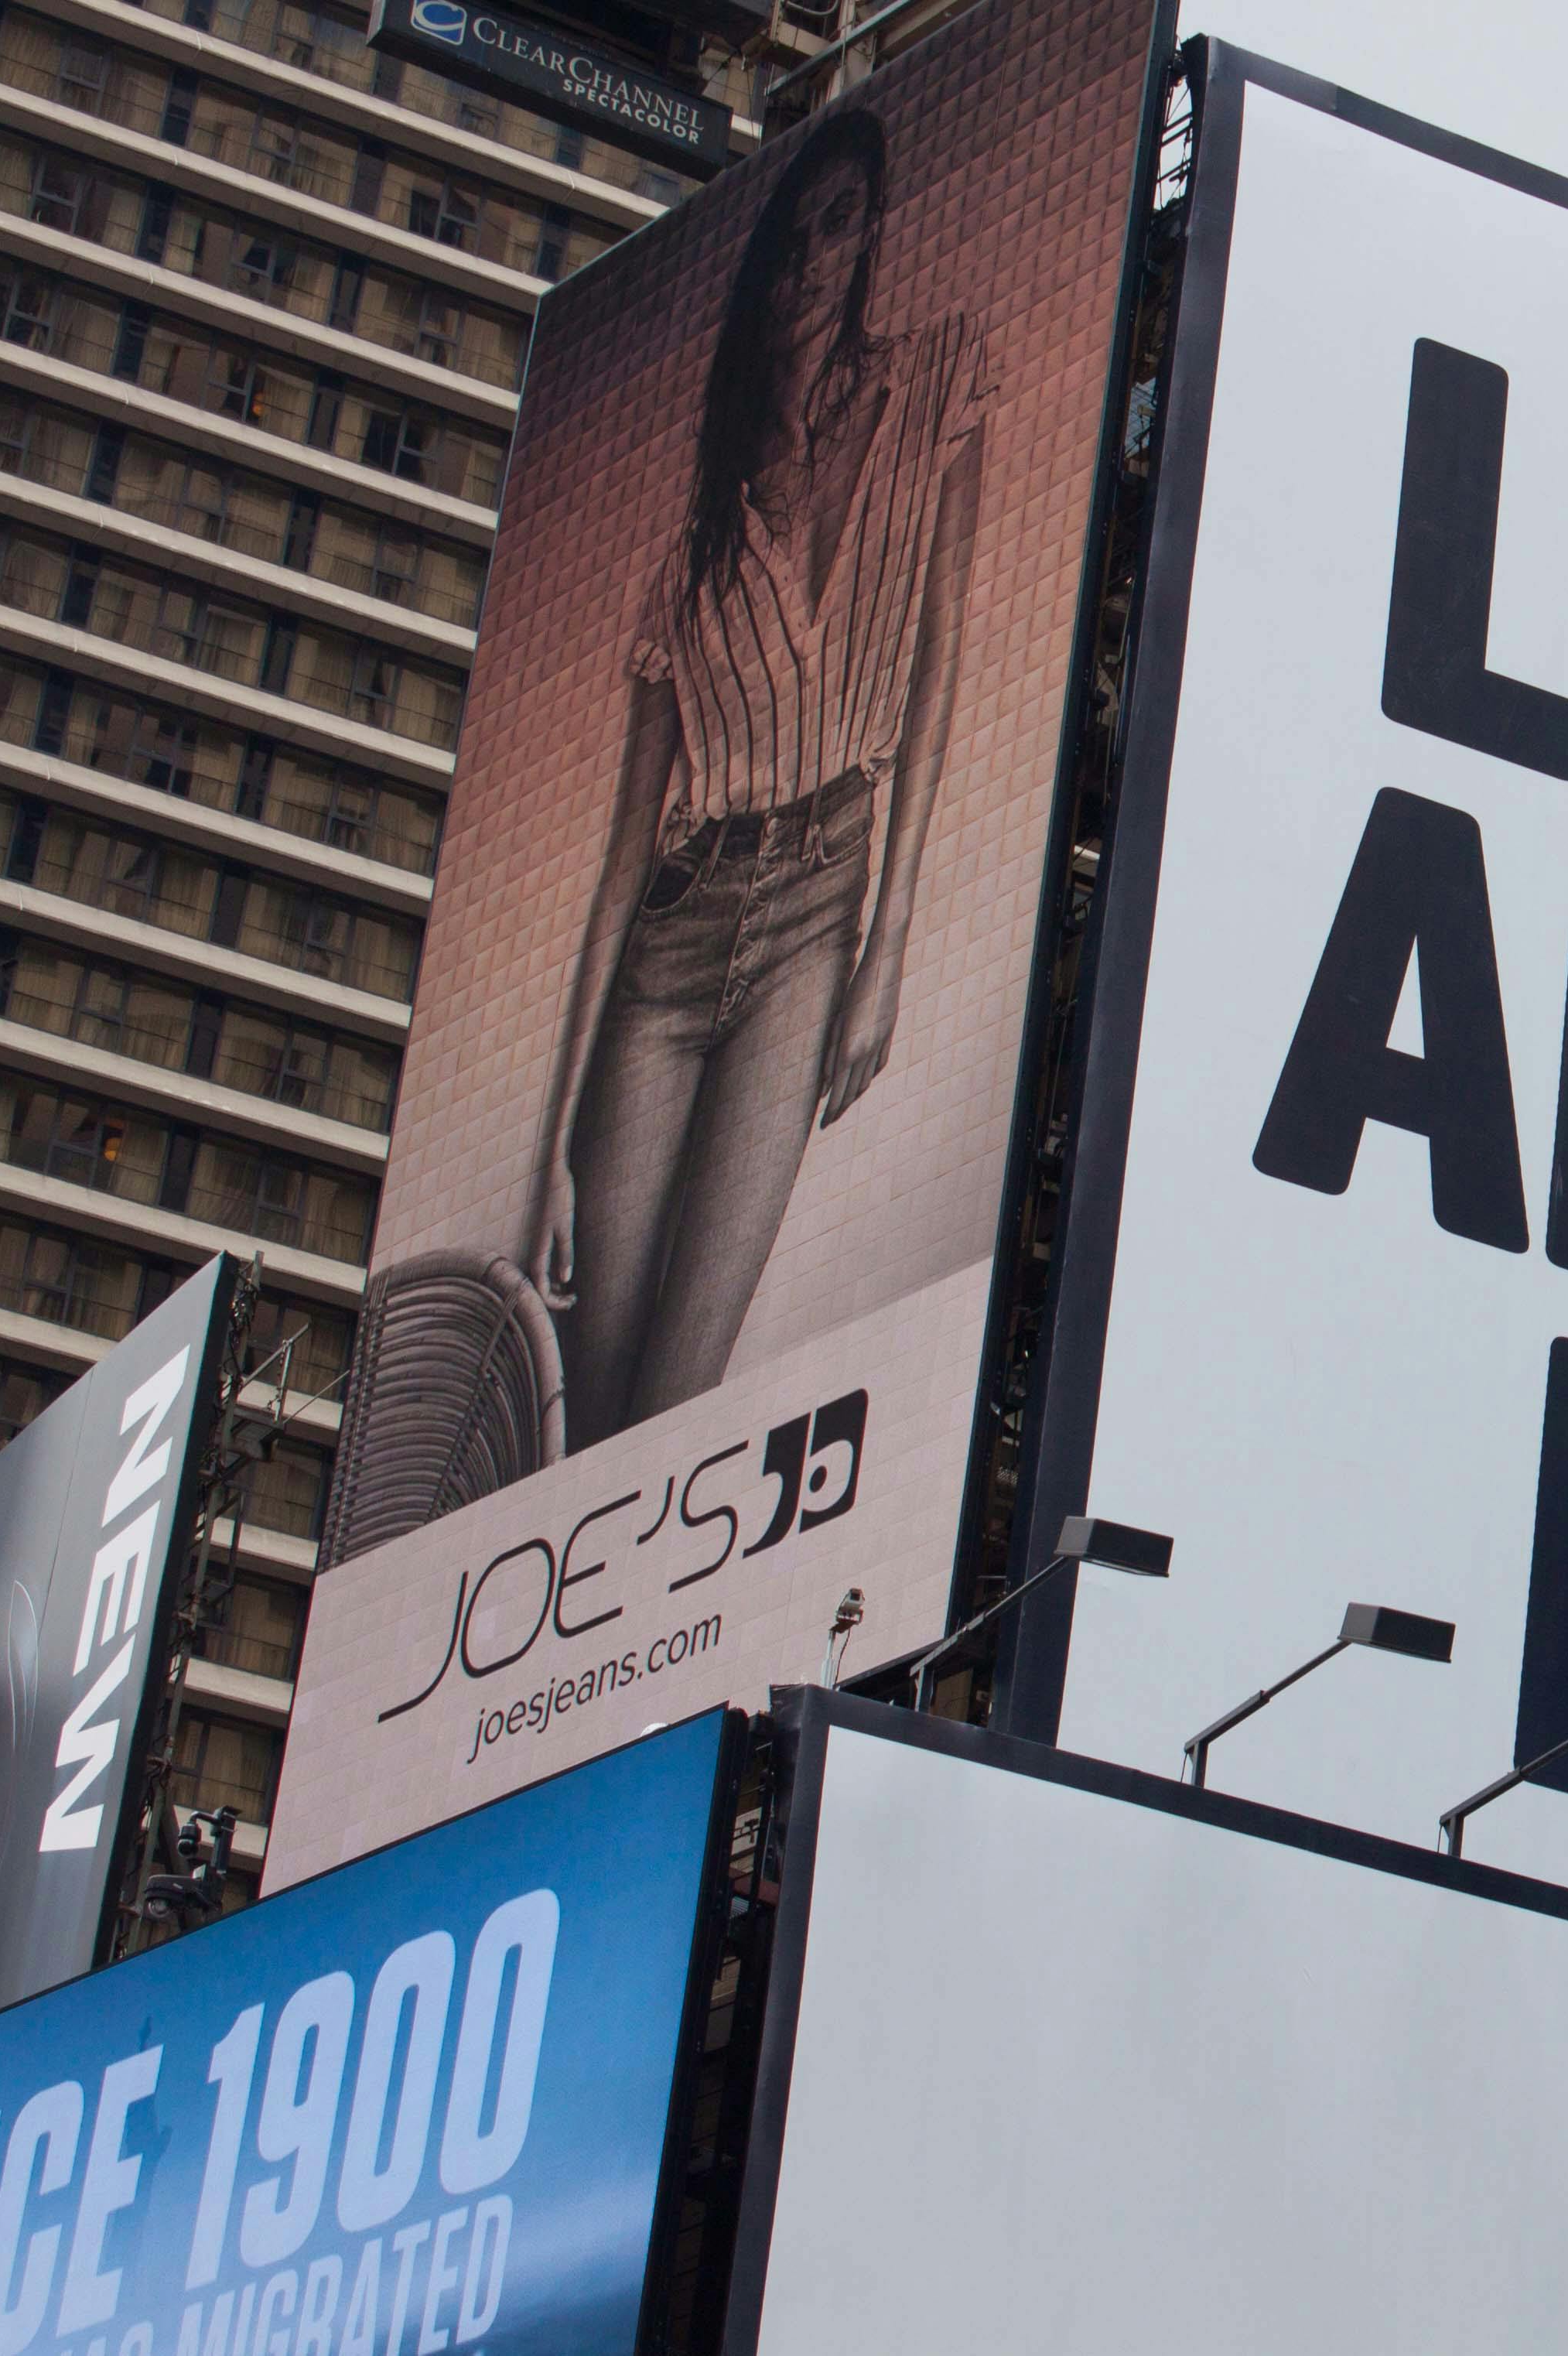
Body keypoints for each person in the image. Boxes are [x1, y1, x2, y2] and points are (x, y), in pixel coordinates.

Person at [531, 104, 986, 1448]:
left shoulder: (936, 386)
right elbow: (623, 857)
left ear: (872, 234)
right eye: (791, 242)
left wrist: (887, 944)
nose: (812, 265)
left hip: (815, 912)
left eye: (840, 226)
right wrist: (549, 1147)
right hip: (672, 934)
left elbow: (940, 665)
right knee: (592, 1400)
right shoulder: (696, 538)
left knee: (678, 1401)